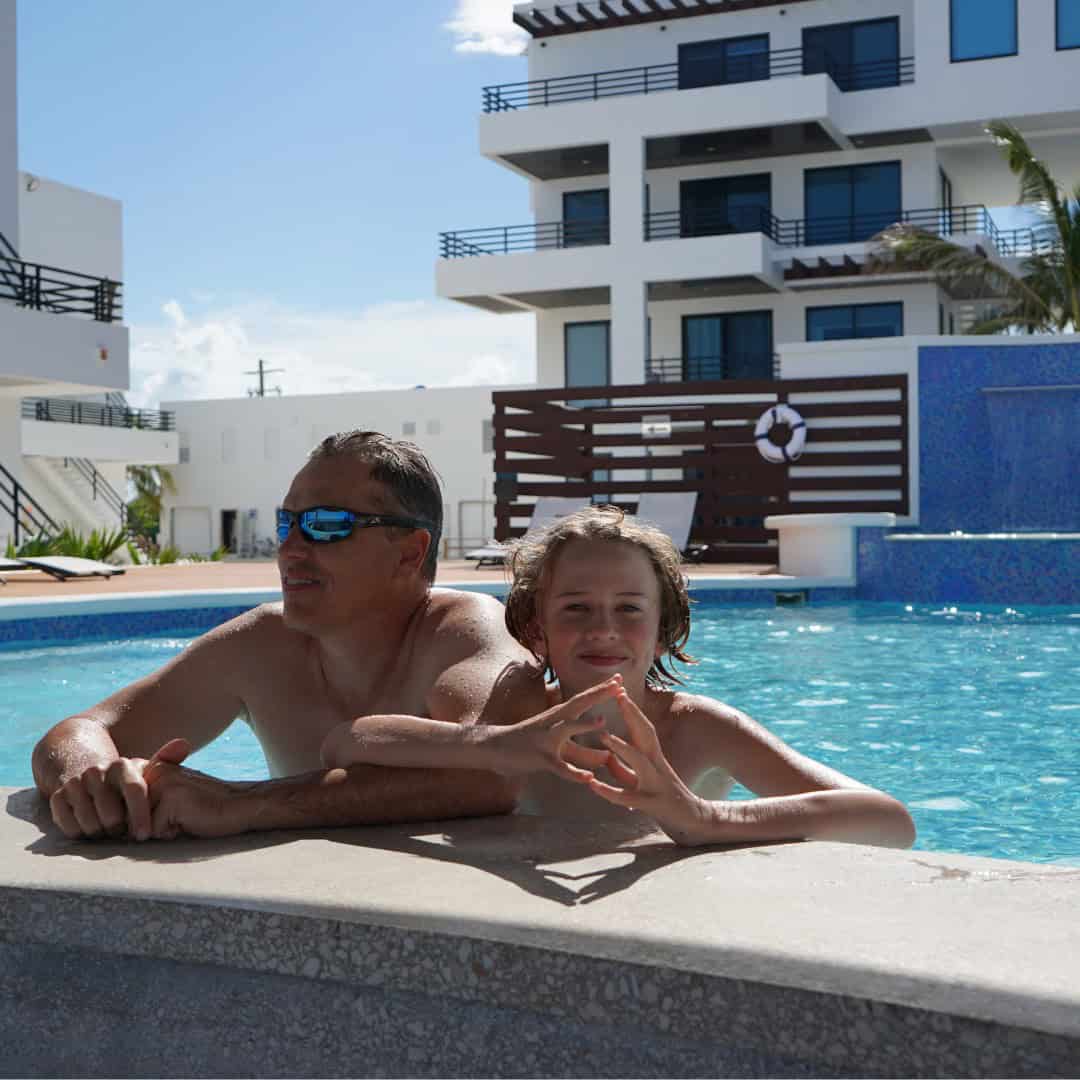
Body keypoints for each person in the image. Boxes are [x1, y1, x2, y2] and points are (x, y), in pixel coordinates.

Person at [32, 431, 550, 842]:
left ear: (409, 553)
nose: (290, 550)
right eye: (287, 524)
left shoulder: (467, 632)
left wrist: (241, 804)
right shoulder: (263, 644)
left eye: (326, 525)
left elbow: (496, 771)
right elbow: (80, 730)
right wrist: (93, 782)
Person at [321, 506, 916, 849]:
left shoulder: (694, 729)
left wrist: (705, 818)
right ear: (536, 629)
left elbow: (888, 821)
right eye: (575, 608)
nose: (603, 629)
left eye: (629, 609)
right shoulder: (519, 713)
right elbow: (348, 740)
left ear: (661, 632)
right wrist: (498, 744)